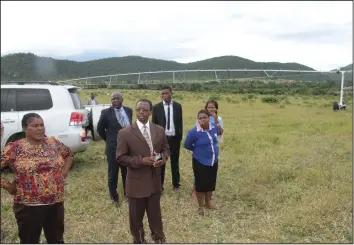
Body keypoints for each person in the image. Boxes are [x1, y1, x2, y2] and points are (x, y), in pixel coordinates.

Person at [0, 113, 73, 243]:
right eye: (35, 126)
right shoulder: (15, 148)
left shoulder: (53, 143)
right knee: (29, 240)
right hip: (28, 207)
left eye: (42, 125)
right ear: (25, 128)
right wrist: (8, 186)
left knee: (56, 240)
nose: (40, 129)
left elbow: (68, 155)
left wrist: (64, 173)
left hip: (55, 203)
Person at [116, 99, 169, 244]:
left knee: (155, 216)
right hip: (136, 184)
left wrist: (161, 159)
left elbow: (165, 150)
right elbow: (120, 157)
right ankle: (139, 240)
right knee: (135, 217)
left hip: (154, 182)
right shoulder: (125, 133)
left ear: (150, 112)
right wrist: (141, 161)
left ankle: (159, 239)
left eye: (145, 110)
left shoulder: (159, 130)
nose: (141, 112)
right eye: (139, 109)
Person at [184, 109, 222, 216]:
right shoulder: (193, 132)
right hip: (200, 161)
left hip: (213, 161)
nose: (202, 120)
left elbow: (220, 133)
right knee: (200, 185)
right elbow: (187, 145)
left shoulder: (214, 128)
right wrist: (199, 151)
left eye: (204, 118)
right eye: (200, 118)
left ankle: (208, 202)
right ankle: (200, 206)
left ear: (208, 118)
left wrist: (217, 122)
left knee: (210, 183)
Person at [97, 92, 133, 205]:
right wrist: (109, 141)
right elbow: (100, 129)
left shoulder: (129, 111)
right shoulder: (106, 113)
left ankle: (128, 193)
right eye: (113, 99)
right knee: (113, 173)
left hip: (127, 148)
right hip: (113, 148)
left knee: (126, 171)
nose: (115, 100)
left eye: (117, 98)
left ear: (122, 99)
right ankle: (114, 197)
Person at [152, 86, 183, 192]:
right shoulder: (156, 107)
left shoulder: (178, 106)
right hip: (161, 140)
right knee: (159, 162)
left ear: (171, 93)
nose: (165, 95)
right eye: (163, 93)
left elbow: (180, 122)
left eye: (167, 93)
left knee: (175, 162)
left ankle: (176, 185)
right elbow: (154, 125)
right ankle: (159, 186)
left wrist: (179, 137)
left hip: (174, 139)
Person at [192, 99, 224, 197]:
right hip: (201, 148)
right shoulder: (202, 117)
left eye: (212, 107)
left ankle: (208, 191)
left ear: (216, 108)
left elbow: (221, 132)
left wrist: (216, 121)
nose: (210, 109)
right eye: (208, 107)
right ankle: (195, 188)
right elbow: (196, 131)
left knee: (211, 170)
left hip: (212, 148)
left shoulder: (219, 119)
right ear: (206, 108)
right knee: (199, 169)